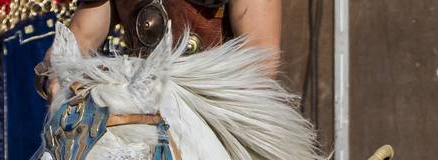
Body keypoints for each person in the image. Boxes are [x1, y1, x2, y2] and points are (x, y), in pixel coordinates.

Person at [41, 0, 280, 94]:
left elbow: (260, 60)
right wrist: (59, 69)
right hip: (139, 112)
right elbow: (82, 36)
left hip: (214, 118)